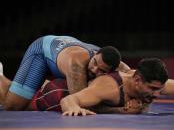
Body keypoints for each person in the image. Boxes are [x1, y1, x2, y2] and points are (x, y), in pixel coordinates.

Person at [27, 58, 174, 115]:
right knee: (11, 101)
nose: (157, 94)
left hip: (88, 96)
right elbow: (69, 99)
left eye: (159, 89)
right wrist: (75, 110)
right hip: (55, 96)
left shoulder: (153, 83)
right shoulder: (110, 87)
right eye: (153, 89)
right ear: (137, 80)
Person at [0, 35, 130, 110]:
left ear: (113, 70)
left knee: (22, 95)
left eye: (101, 71)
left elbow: (138, 76)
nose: (94, 70)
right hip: (42, 51)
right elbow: (79, 103)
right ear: (95, 54)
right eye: (94, 63)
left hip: (64, 47)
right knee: (13, 105)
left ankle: (18, 87)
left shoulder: (121, 67)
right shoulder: (76, 65)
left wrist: (138, 100)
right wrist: (120, 110)